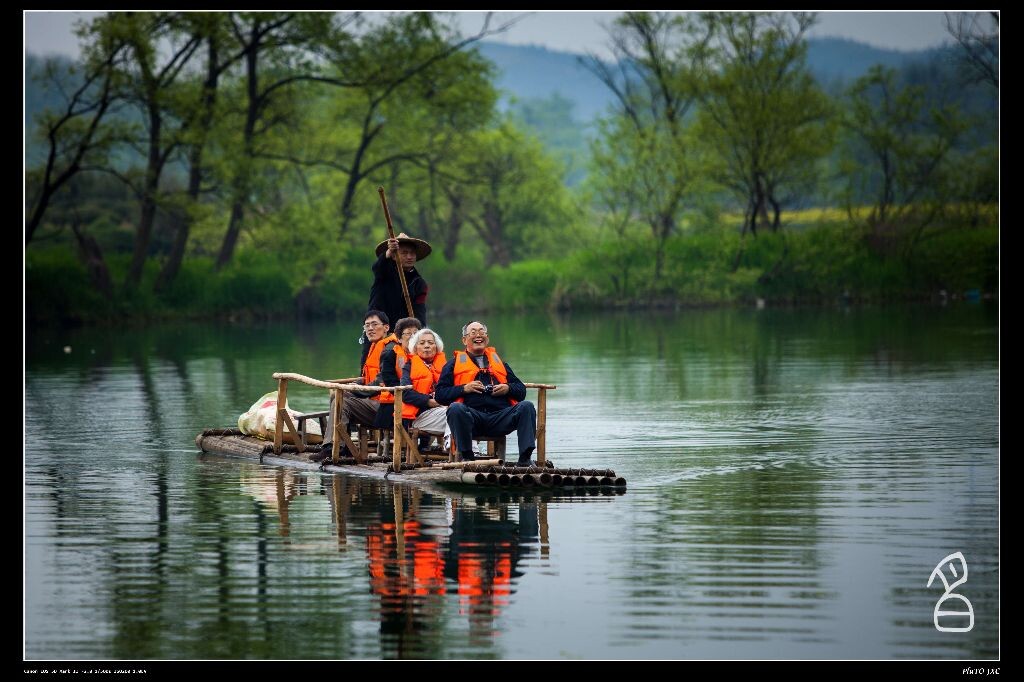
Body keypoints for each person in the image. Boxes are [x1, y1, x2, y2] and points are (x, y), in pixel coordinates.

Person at [434, 321, 537, 465]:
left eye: (481, 332)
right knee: (455, 409)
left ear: (487, 339)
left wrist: (507, 388)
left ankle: (525, 458)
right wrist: (464, 388)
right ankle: (468, 457)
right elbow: (440, 395)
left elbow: (521, 391)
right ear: (464, 340)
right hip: (472, 419)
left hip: (499, 418)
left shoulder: (500, 363)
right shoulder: (453, 364)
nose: (478, 335)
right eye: (473, 332)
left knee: (527, 406)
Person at [311, 310, 399, 462]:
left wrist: (356, 390)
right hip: (375, 400)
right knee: (336, 395)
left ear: (386, 328)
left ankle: (334, 446)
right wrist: (356, 384)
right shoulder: (376, 346)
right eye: (366, 326)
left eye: (374, 324)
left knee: (343, 401)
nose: (370, 329)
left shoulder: (390, 349)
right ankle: (339, 444)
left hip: (387, 406)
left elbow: (381, 380)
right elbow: (369, 377)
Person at [368, 233, 431, 327]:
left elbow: (419, 310)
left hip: (401, 331)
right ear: (394, 256)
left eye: (412, 253)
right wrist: (389, 251)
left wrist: (418, 330)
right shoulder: (385, 270)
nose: (409, 257)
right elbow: (377, 268)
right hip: (378, 327)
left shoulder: (419, 284)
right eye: (404, 253)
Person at [374, 316, 423, 430]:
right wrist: (410, 396)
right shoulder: (390, 355)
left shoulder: (424, 354)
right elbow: (390, 381)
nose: (412, 336)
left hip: (418, 400)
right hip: (394, 402)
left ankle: (424, 445)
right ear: (399, 339)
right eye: (408, 333)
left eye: (416, 333)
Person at [400, 328, 448, 440]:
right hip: (420, 416)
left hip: (444, 410)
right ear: (415, 348)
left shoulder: (447, 366)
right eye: (422, 343)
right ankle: (465, 452)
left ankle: (464, 452)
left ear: (437, 347)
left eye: (431, 343)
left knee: (463, 412)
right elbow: (406, 393)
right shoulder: (408, 367)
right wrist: (429, 402)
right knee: (457, 414)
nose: (426, 346)